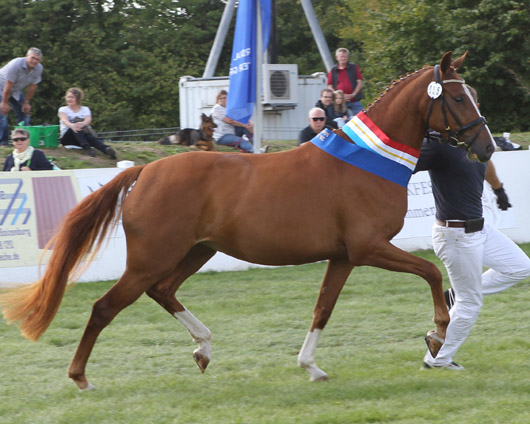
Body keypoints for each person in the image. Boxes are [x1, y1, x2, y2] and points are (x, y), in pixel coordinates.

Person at [416, 88, 530, 370]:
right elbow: (404, 161)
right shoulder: (438, 144)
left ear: (474, 104)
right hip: (455, 235)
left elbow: (487, 160)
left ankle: (455, 294)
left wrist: (499, 189)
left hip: (480, 230)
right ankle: (437, 360)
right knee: (471, 305)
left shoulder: (474, 137)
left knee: (521, 267)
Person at [0, 47, 43, 145]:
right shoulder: (15, 64)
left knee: (24, 111)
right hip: (2, 87)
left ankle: (24, 139)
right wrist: (4, 102)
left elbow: (33, 86)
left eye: (37, 59)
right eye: (32, 58)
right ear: (26, 56)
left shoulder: (39, 68)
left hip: (15, 90)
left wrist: (26, 102)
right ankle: (3, 142)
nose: (35, 61)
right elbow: (8, 85)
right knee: (3, 113)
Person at [58, 87, 116, 158]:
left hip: (83, 136)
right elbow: (64, 120)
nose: (69, 99)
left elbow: (88, 119)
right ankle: (87, 147)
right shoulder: (63, 109)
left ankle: (106, 149)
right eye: (68, 97)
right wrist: (72, 125)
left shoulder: (85, 109)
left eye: (72, 97)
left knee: (89, 136)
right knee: (76, 127)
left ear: (78, 99)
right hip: (68, 138)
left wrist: (82, 124)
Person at [327, 47, 364, 116]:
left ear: (348, 57)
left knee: (362, 119)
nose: (343, 58)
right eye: (341, 57)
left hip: (354, 100)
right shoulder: (333, 70)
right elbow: (330, 85)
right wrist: (339, 95)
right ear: (337, 57)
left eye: (345, 57)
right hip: (340, 103)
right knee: (342, 121)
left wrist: (353, 95)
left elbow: (359, 82)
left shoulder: (354, 67)